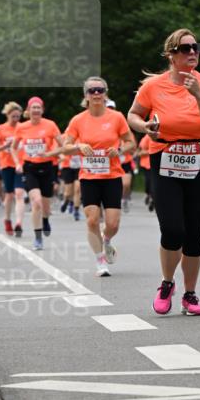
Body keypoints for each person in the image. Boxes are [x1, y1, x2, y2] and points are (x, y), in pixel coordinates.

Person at [127, 27, 200, 315]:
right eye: (185, 48)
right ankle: (167, 283)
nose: (192, 52)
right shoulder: (153, 86)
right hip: (165, 156)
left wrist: (198, 95)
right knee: (172, 229)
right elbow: (133, 115)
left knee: (194, 233)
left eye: (196, 47)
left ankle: (190, 294)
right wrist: (145, 128)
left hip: (199, 156)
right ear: (172, 54)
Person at [62, 77, 135, 277]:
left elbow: (131, 143)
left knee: (112, 224)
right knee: (92, 220)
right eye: (92, 90)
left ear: (105, 93)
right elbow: (66, 147)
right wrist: (78, 146)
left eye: (100, 90)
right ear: (85, 95)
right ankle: (100, 260)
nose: (96, 94)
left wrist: (119, 150)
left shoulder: (117, 117)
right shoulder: (78, 120)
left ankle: (107, 240)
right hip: (89, 177)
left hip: (112, 176)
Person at [13, 97, 63, 250]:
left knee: (46, 206)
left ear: (42, 110)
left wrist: (50, 153)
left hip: (47, 168)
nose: (36, 110)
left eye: (38, 107)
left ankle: (46, 219)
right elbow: (13, 148)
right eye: (33, 107)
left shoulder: (50, 125)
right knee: (36, 202)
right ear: (28, 110)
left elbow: (63, 146)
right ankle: (38, 237)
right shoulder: (22, 127)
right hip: (30, 168)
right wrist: (17, 163)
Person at [0, 102, 25, 236]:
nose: (16, 120)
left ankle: (19, 223)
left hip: (20, 165)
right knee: (9, 195)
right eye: (13, 117)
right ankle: (7, 219)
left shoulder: (23, 128)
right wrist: (5, 146)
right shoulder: (1, 129)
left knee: (19, 193)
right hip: (6, 165)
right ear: (7, 115)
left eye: (18, 117)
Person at [136, 133, 154, 211]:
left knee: (153, 183)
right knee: (148, 182)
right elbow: (139, 152)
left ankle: (152, 200)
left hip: (155, 165)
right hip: (146, 165)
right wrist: (150, 151)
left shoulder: (160, 136)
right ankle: (148, 194)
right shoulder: (146, 137)